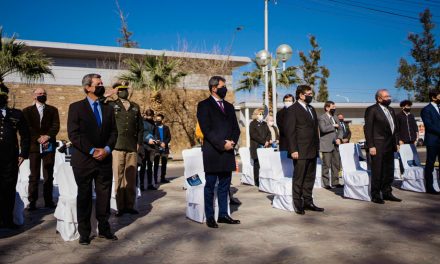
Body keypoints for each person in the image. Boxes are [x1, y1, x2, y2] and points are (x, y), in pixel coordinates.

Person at [67, 73, 118, 245]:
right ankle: (84, 233)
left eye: (102, 83)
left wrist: (107, 149)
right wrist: (91, 150)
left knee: (104, 196)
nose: (102, 85)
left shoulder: (108, 108)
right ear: (88, 87)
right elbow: (74, 134)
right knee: (84, 196)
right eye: (98, 83)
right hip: (84, 160)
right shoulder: (76, 108)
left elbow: (114, 132)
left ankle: (104, 229)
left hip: (104, 159)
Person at [197, 76, 240, 228]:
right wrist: (222, 144)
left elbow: (236, 128)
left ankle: (223, 214)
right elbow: (206, 129)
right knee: (210, 185)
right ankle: (210, 216)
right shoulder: (203, 105)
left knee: (225, 185)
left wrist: (232, 142)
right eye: (223, 86)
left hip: (228, 151)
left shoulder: (229, 106)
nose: (225, 88)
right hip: (213, 151)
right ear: (214, 88)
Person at [284, 85, 323, 215]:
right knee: (299, 178)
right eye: (309, 93)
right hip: (299, 150)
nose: (311, 95)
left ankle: (308, 201)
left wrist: (317, 147)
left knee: (310, 177)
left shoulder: (311, 109)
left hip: (312, 149)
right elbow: (290, 132)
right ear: (301, 95)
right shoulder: (292, 109)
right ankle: (298, 203)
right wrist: (293, 150)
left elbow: (314, 129)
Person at [106, 81, 143, 216]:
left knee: (131, 178)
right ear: (117, 90)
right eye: (121, 89)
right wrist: (109, 94)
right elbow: (98, 103)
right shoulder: (111, 105)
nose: (124, 91)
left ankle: (130, 205)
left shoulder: (135, 107)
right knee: (119, 176)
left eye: (125, 89)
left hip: (132, 146)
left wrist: (139, 142)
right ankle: (120, 207)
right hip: (117, 145)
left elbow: (140, 127)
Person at [22, 87, 60, 210]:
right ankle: (32, 201)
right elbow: (27, 127)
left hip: (49, 146)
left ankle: (48, 201)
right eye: (39, 93)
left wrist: (47, 137)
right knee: (34, 175)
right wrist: (38, 138)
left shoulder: (53, 110)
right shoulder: (26, 111)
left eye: (44, 93)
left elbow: (55, 125)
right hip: (34, 147)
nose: (42, 95)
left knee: (48, 174)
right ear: (34, 96)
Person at [364, 89, 401, 204]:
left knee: (389, 171)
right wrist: (371, 145)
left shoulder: (391, 110)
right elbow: (368, 129)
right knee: (378, 171)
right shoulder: (372, 109)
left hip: (390, 145)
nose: (389, 98)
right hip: (377, 145)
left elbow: (394, 128)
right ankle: (375, 195)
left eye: (389, 96)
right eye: (386, 96)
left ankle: (387, 193)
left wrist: (396, 143)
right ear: (379, 98)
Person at [0, 88, 30, 229]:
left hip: (10, 159)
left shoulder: (16, 114)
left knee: (9, 189)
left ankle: (7, 220)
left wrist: (23, 154)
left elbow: (25, 135)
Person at [319, 101, 343, 189]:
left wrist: (339, 138)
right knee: (326, 165)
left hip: (336, 144)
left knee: (336, 164)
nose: (334, 108)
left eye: (335, 107)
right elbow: (323, 129)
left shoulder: (335, 117)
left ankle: (335, 182)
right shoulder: (322, 118)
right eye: (332, 107)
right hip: (326, 145)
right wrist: (333, 125)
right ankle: (326, 183)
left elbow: (340, 129)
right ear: (327, 108)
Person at [420, 89, 440, 195]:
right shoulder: (426, 109)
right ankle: (430, 187)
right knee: (430, 165)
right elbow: (429, 125)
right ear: (433, 97)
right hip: (432, 141)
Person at [249, 109, 271, 187]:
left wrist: (267, 141)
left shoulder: (265, 123)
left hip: (265, 147)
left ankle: (265, 180)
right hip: (256, 147)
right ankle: (257, 180)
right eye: (260, 114)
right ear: (256, 115)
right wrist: (263, 142)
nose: (261, 115)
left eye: (262, 114)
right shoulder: (252, 124)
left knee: (265, 164)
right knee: (257, 164)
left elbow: (269, 133)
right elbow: (254, 135)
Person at [139, 109, 157, 190]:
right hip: (143, 147)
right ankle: (141, 184)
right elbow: (140, 134)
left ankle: (150, 184)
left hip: (151, 148)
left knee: (150, 166)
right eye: (148, 116)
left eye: (151, 116)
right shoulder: (141, 122)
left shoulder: (153, 123)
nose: (149, 118)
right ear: (145, 115)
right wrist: (147, 140)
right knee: (143, 166)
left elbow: (155, 133)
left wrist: (156, 140)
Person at [153, 114, 171, 184]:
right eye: (157, 119)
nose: (158, 121)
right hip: (157, 148)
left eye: (159, 120)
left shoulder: (166, 128)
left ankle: (162, 178)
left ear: (162, 120)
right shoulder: (154, 128)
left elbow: (169, 137)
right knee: (156, 164)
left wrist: (165, 143)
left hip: (165, 148)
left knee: (164, 164)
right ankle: (155, 179)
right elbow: (154, 137)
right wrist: (160, 143)